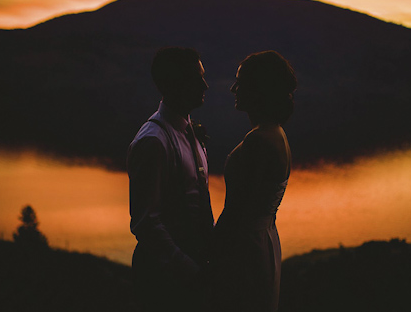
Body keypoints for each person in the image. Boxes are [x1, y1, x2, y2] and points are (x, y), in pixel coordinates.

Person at [127, 47, 214, 312]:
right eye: (196, 78)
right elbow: (146, 222)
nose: (205, 85)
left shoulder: (190, 133)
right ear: (174, 84)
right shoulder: (153, 141)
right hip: (165, 278)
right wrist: (188, 270)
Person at [210, 50, 296, 312]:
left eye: (241, 82)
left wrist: (208, 256)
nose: (234, 88)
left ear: (259, 89)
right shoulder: (276, 133)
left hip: (244, 251)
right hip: (265, 240)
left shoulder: (258, 140)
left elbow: (236, 212)